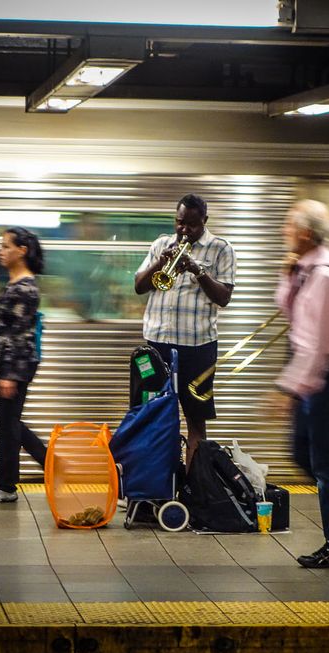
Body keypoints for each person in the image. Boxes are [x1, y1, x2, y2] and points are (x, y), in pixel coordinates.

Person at [271, 199, 329, 568]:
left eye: (289, 226)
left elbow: (316, 343)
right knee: (301, 452)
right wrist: (286, 275)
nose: (284, 232)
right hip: (316, 371)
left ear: (306, 233)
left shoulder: (325, 274)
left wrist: (288, 390)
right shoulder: (307, 269)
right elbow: (289, 312)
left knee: (324, 461)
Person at [134, 194, 236, 462]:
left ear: (205, 220)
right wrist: (161, 262)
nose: (184, 230)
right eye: (180, 223)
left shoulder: (221, 249)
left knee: (196, 419)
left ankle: (194, 486)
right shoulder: (161, 244)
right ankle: (157, 485)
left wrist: (197, 271)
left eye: (191, 224)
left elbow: (223, 297)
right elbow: (139, 286)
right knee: (153, 416)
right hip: (157, 344)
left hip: (198, 348)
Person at [0, 227, 47, 503]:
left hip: (17, 366)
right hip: (11, 363)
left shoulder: (25, 288)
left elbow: (20, 335)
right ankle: (41, 469)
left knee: (7, 425)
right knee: (8, 424)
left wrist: (9, 375)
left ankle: (9, 485)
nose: (0, 251)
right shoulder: (16, 283)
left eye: (6, 246)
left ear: (22, 251)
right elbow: (8, 330)